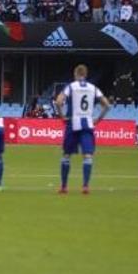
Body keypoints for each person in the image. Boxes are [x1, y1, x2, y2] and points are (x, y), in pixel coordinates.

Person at [54, 64, 110, 195]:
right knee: (88, 156)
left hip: (72, 123)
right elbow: (107, 105)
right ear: (86, 74)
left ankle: (64, 186)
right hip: (87, 124)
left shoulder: (71, 86)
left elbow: (58, 101)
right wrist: (98, 119)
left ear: (75, 74)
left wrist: (62, 116)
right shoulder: (93, 88)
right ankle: (85, 186)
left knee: (66, 155)